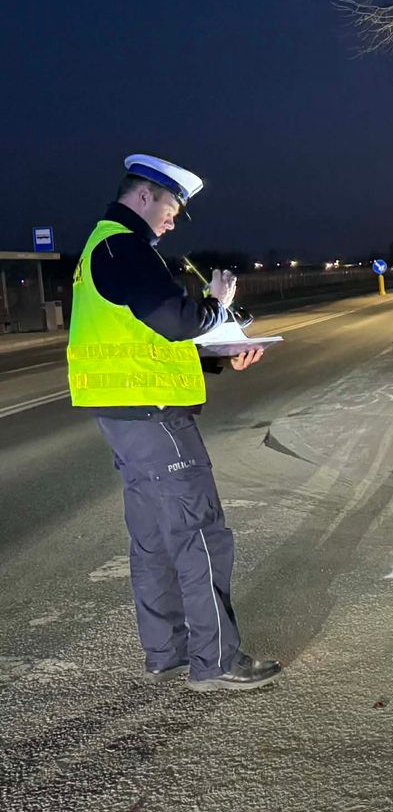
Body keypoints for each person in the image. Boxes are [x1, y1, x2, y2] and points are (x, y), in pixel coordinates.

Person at [67, 154, 281, 692]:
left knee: (155, 541)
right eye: (172, 206)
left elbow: (152, 341)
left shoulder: (105, 248)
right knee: (202, 534)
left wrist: (220, 356)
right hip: (156, 419)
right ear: (144, 196)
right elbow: (177, 320)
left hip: (126, 414)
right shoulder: (124, 246)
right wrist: (216, 304)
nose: (174, 219)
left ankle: (167, 652)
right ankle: (217, 661)